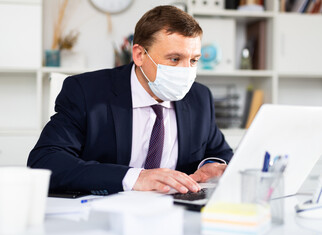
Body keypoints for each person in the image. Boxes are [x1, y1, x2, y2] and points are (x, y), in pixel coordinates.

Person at [28, 5, 233, 196]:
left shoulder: (199, 98)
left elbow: (222, 153)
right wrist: (135, 177)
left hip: (175, 215)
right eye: (174, 59)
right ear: (139, 55)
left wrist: (212, 165)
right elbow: (45, 161)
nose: (186, 70)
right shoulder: (86, 92)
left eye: (194, 60)